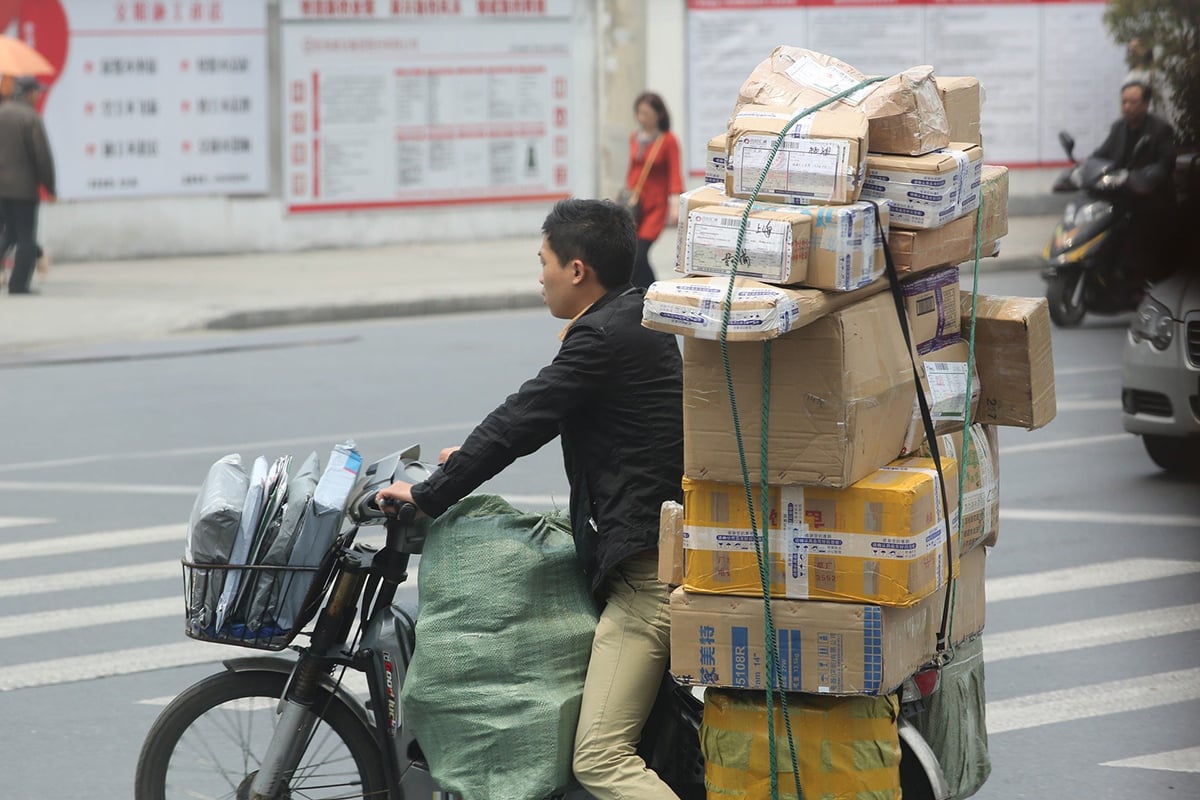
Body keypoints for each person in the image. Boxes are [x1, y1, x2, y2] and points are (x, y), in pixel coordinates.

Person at [376, 198, 685, 800]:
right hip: (648, 545)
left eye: (542, 260)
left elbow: (523, 418)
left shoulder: (599, 338)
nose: (537, 274)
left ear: (576, 270)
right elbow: (560, 422)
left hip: (647, 580)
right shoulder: (634, 317)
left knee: (600, 759)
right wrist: (461, 462)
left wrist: (431, 494)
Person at [1091, 80, 1177, 284]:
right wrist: (1085, 168)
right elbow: (1101, 154)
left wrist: (1146, 176)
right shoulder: (1118, 128)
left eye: (1133, 102)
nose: (1127, 107)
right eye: (1124, 102)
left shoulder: (1160, 130)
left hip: (1151, 199)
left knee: (1139, 228)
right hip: (1121, 195)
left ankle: (1135, 276)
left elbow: (1166, 163)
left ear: (1146, 103)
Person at [0, 74, 56, 295]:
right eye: (37, 92)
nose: (38, 96)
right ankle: (19, 284)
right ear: (30, 93)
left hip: (1, 188)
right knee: (26, 238)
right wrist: (50, 187)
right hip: (22, 188)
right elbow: (42, 156)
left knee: (10, 233)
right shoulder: (30, 117)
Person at [623, 91, 683, 290]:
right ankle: (638, 293)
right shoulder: (634, 137)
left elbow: (675, 175)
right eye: (639, 113)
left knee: (640, 252)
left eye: (646, 113)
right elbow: (632, 170)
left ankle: (651, 290)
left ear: (658, 115)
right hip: (635, 205)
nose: (642, 118)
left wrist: (675, 207)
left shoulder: (668, 140)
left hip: (656, 207)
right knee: (630, 254)